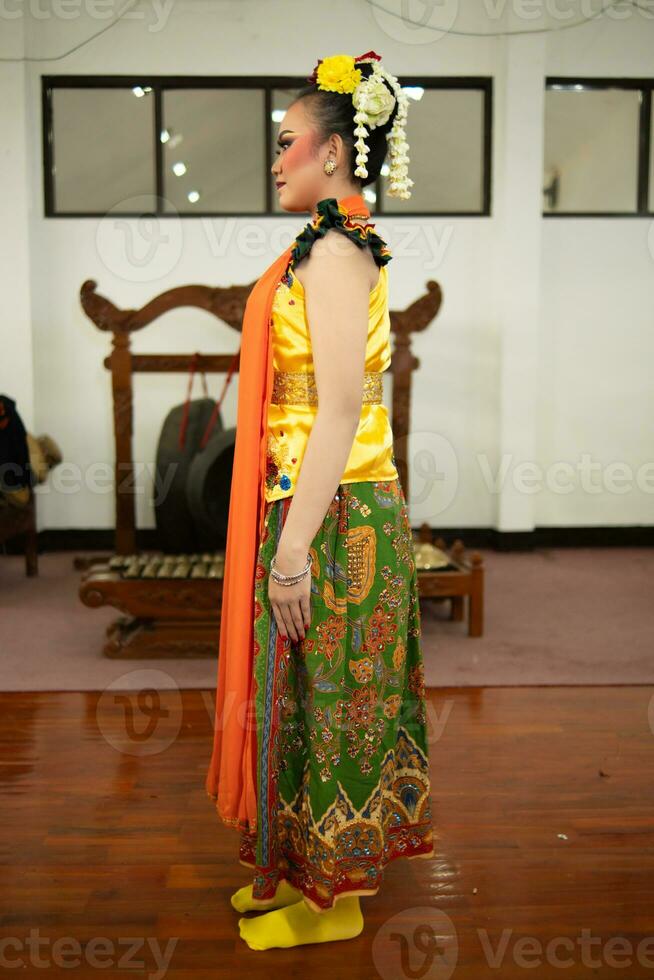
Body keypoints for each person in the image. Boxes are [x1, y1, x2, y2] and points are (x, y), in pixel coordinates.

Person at [205, 50, 434, 951]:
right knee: (303, 695)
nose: (277, 159)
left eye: (287, 142)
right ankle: (302, 873)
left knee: (336, 696)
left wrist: (293, 552)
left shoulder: (336, 250)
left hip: (333, 514)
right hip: (308, 500)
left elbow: (341, 407)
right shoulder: (323, 242)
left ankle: (335, 901)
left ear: (334, 153)